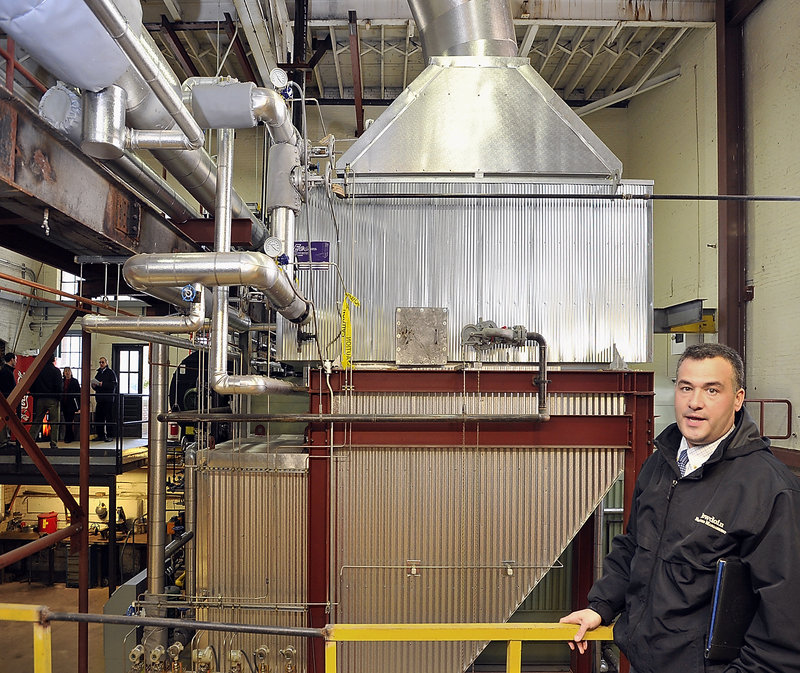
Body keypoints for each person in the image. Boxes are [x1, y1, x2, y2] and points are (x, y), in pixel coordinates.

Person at [560, 343, 800, 673]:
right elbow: (633, 547)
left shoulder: (769, 489)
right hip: (643, 662)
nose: (694, 402)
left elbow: (784, 619)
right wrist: (600, 606)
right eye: (686, 387)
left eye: (712, 390)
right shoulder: (660, 463)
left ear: (738, 399)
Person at [29, 354, 62, 449]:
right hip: (53, 399)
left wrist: (35, 395)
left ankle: (30, 440)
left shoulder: (39, 371)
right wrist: (59, 397)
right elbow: (59, 386)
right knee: (54, 422)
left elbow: (32, 385)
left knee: (37, 420)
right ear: (53, 360)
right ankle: (53, 443)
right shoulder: (56, 371)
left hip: (40, 398)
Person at [91, 356, 117, 442]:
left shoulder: (111, 373)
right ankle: (100, 435)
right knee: (99, 417)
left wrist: (103, 384)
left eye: (102, 362)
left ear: (106, 363)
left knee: (109, 418)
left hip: (108, 399)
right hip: (100, 399)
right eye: (100, 362)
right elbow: (96, 385)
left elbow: (113, 385)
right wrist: (94, 386)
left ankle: (110, 435)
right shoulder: (98, 373)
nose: (101, 364)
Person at [0, 352, 17, 445]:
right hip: (7, 399)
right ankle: (4, 440)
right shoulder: (7, 372)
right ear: (12, 360)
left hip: (5, 398)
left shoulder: (4, 370)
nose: (16, 361)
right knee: (5, 419)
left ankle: (5, 439)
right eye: (15, 359)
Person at [61, 367, 81, 444]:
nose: (67, 372)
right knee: (66, 420)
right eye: (65, 371)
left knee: (69, 420)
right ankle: (69, 436)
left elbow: (79, 393)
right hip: (64, 403)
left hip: (71, 404)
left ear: (71, 372)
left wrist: (79, 406)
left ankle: (68, 437)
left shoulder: (74, 381)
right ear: (63, 373)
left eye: (68, 371)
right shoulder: (62, 381)